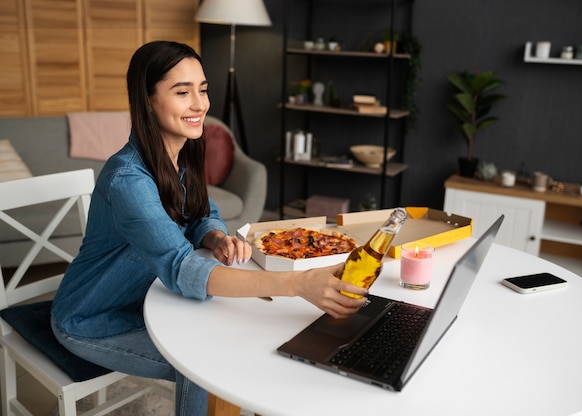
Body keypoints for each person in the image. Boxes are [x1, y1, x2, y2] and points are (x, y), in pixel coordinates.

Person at [51, 40, 367, 416]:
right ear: (148, 100)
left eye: (202, 90)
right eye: (182, 92)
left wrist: (214, 235)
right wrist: (297, 284)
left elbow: (202, 213)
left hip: (146, 299)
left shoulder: (182, 152)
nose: (200, 104)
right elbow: (184, 269)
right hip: (92, 319)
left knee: (236, 342)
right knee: (206, 365)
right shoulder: (128, 180)